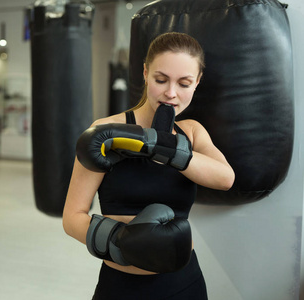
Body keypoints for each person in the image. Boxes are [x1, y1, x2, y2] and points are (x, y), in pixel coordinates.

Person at [63, 32, 235, 299]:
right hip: (120, 286)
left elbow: (225, 178)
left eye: (184, 83)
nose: (170, 93)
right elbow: (72, 217)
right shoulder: (106, 132)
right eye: (161, 79)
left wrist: (163, 147)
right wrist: (120, 242)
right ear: (145, 73)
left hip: (183, 284)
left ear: (197, 82)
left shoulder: (191, 132)